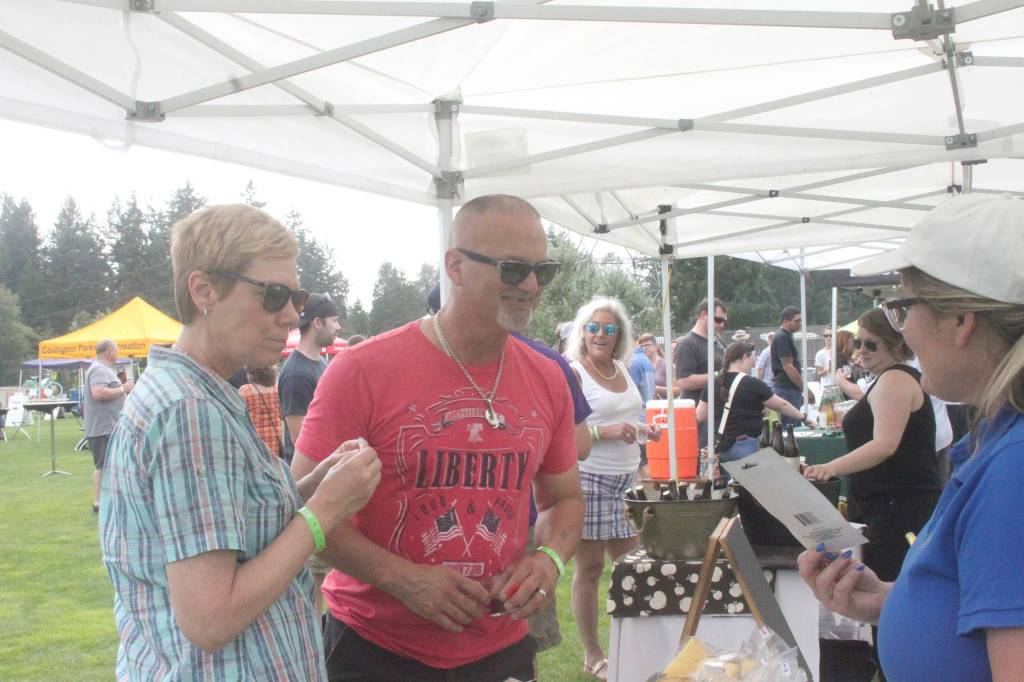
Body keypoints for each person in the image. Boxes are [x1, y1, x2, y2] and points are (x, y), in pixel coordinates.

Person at [291, 195, 584, 682]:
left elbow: (565, 498)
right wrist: (402, 580)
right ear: (456, 266)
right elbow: (303, 511)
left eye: (542, 271)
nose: (530, 286)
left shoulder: (548, 378)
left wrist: (549, 559)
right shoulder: (361, 371)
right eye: (512, 269)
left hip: (500, 646)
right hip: (375, 649)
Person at [99, 204, 381, 681]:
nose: (293, 315)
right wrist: (325, 511)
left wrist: (313, 483)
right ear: (203, 290)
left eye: (296, 296)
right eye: (274, 295)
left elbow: (241, 524)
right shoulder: (190, 411)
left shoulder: (197, 393)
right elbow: (212, 618)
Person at [797, 194, 1024, 682]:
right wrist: (895, 601)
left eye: (902, 308)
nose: (905, 330)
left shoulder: (1016, 470)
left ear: (961, 321)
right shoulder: (998, 443)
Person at [804, 308, 940, 583]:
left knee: (889, 593)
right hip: (890, 507)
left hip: (897, 510)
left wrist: (830, 467)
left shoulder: (895, 380)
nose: (861, 350)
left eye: (871, 344)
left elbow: (885, 445)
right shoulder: (891, 378)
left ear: (897, 344)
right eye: (858, 342)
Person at [567, 297, 658, 680]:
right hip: (589, 479)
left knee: (632, 567)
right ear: (582, 332)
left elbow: (625, 417)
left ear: (619, 334)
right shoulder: (574, 373)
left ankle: (634, 648)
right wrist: (604, 432)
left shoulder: (622, 367)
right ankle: (593, 655)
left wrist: (641, 430)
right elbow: (564, 435)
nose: (600, 335)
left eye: (608, 328)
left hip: (626, 480)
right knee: (589, 569)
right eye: (593, 328)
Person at [697, 341, 813, 462]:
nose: (753, 364)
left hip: (721, 448)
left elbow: (700, 415)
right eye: (752, 358)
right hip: (745, 447)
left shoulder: (713, 382)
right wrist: (804, 418)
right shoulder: (752, 384)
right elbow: (783, 406)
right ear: (744, 357)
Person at [278, 292, 340, 465]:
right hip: (309, 477)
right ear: (318, 323)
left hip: (325, 467)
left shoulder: (321, 363)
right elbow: (300, 438)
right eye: (334, 320)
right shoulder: (296, 374)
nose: (338, 326)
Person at [83, 339, 134, 513]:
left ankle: (106, 500)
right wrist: (123, 389)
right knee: (103, 466)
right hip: (103, 427)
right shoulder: (99, 369)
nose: (118, 352)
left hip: (106, 426)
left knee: (106, 465)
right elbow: (98, 393)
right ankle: (99, 503)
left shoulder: (100, 369)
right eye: (116, 349)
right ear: (109, 351)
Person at [674, 298, 728, 445]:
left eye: (724, 321)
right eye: (718, 320)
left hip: (718, 414)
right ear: (703, 314)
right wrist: (719, 376)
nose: (721, 325)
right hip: (701, 418)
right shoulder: (687, 343)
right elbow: (682, 381)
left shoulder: (716, 341)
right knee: (704, 464)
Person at [771, 306, 806, 426]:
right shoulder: (782, 337)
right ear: (785, 321)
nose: (800, 324)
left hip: (787, 389)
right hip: (786, 390)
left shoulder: (784, 336)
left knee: (791, 429)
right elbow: (788, 367)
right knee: (790, 431)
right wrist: (804, 389)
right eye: (797, 321)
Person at [239, 365, 283, 457]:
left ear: (253, 374)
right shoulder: (277, 388)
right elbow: (282, 414)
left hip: (255, 438)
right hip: (275, 436)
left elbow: (239, 415)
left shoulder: (246, 390)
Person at [629, 332, 656, 479]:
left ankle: (650, 499)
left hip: (639, 419)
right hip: (648, 416)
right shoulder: (645, 360)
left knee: (642, 466)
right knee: (645, 464)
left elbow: (628, 393)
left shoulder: (633, 362)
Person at [833, 329, 864, 400]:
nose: (854, 344)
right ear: (845, 343)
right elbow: (848, 380)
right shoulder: (841, 361)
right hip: (847, 398)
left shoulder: (846, 359)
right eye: (852, 341)